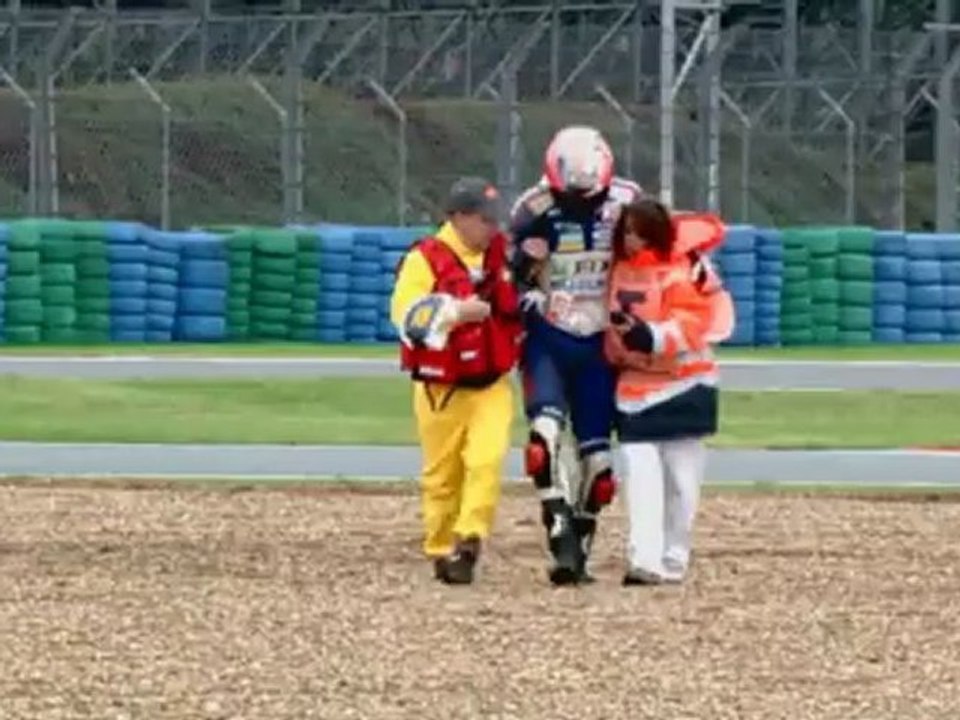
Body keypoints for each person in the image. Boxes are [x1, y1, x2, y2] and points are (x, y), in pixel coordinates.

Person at [509, 125, 645, 585]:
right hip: (549, 335)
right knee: (541, 440)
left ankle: (582, 537)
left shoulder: (629, 201)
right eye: (572, 196)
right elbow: (509, 275)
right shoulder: (531, 209)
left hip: (601, 342)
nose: (582, 205)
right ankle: (556, 518)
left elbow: (656, 256)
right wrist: (530, 292)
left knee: (600, 464)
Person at [390, 177, 523, 585]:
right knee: (442, 476)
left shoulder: (502, 255)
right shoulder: (425, 259)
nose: (491, 228)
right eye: (483, 220)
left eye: (494, 220)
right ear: (459, 218)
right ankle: (441, 547)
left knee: (486, 461)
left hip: (490, 383)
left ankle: (470, 537)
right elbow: (405, 316)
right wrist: (454, 312)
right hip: (440, 389)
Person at [603, 198, 735, 586]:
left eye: (639, 232)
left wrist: (653, 337)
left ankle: (674, 555)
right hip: (635, 389)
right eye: (626, 231)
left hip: (686, 385)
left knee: (682, 483)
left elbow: (697, 321)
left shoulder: (684, 269)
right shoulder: (616, 271)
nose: (631, 240)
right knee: (639, 473)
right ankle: (644, 558)